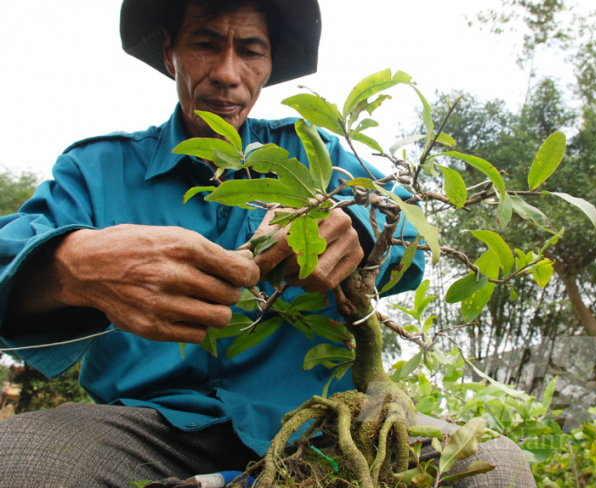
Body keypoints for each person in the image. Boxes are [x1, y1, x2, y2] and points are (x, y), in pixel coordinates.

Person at [0, 1, 536, 486]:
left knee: (494, 468)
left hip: (319, 423)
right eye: (205, 43)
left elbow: (410, 229)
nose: (227, 74)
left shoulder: (319, 155)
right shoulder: (96, 170)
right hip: (145, 428)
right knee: (22, 460)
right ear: (171, 52)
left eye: (251, 50)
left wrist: (357, 229)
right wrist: (69, 264)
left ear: (269, 64)